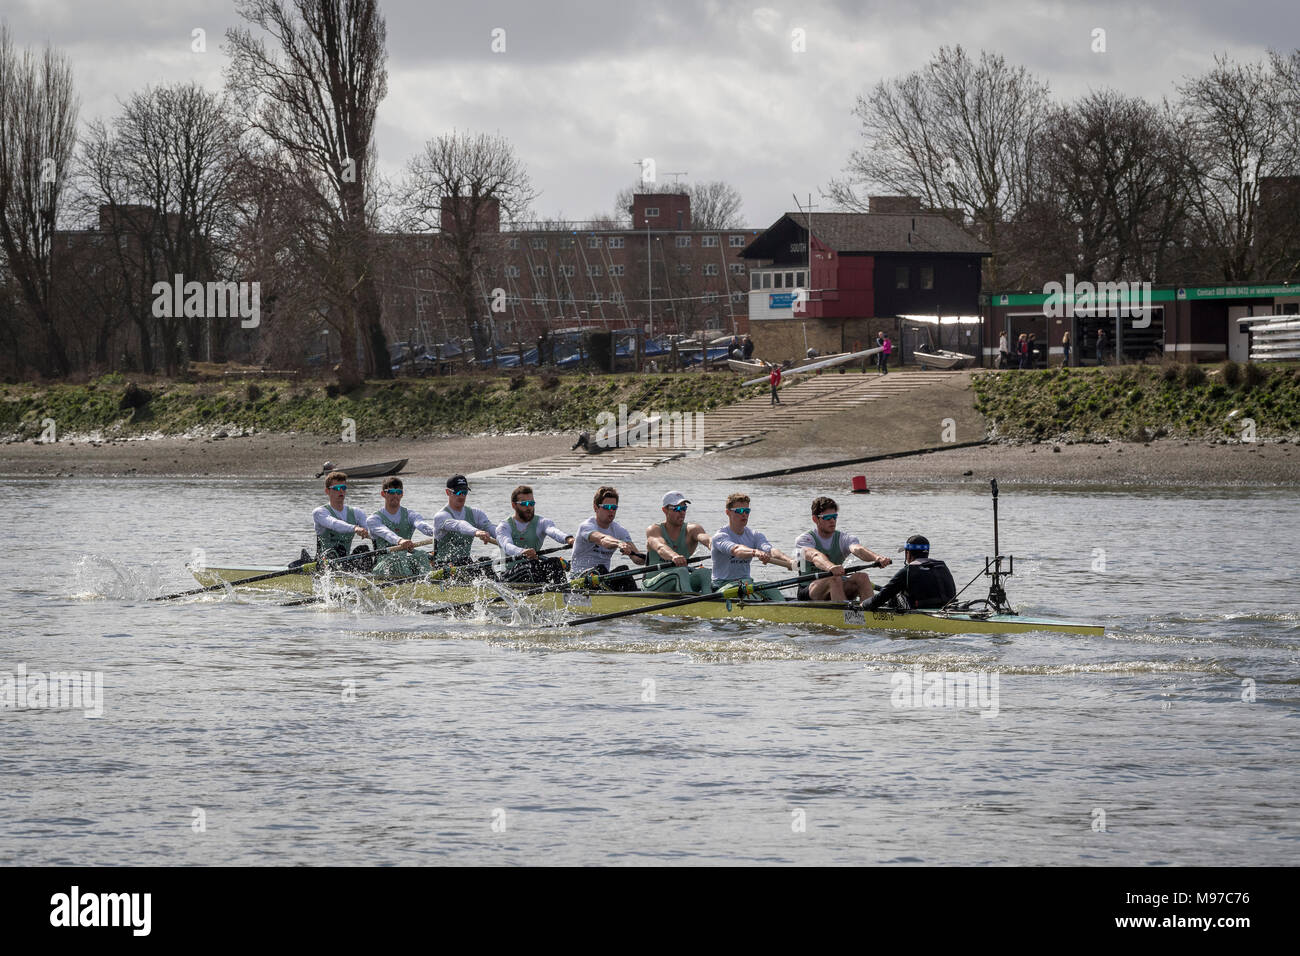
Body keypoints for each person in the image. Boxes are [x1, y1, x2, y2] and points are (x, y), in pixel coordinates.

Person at [793, 497, 891, 602]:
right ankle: (845, 615)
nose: (832, 521)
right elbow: (815, 556)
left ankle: (869, 614)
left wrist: (877, 558)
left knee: (862, 577)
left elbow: (858, 549)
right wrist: (831, 567)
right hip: (809, 590)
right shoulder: (804, 539)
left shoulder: (843, 538)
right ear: (815, 519)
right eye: (827, 517)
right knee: (834, 579)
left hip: (837, 585)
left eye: (834, 517)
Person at [711, 493, 796, 601]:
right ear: (728, 512)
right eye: (740, 511)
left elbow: (771, 550)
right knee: (749, 594)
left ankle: (785, 610)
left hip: (746, 583)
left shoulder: (754, 535)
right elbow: (737, 550)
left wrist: (790, 561)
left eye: (747, 511)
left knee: (772, 589)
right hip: (722, 586)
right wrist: (755, 552)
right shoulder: (720, 536)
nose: (744, 515)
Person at [495, 485, 574, 585]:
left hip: (533, 568)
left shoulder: (542, 522)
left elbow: (554, 531)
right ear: (514, 505)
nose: (529, 507)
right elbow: (507, 546)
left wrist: (569, 539)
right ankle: (544, 593)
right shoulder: (504, 526)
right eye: (524, 504)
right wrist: (523, 552)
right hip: (509, 575)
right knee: (531, 565)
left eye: (532, 503)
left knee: (555, 562)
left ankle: (563, 592)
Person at [570, 485, 645, 591]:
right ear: (595, 508)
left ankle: (637, 599)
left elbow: (637, 559)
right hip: (579, 581)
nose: (611, 511)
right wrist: (619, 543)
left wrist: (652, 557)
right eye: (607, 507)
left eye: (614, 508)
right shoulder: (586, 526)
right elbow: (602, 539)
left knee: (624, 571)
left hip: (601, 579)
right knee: (600, 569)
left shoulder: (619, 530)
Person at [644, 491, 712, 593]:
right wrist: (674, 556)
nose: (682, 512)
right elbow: (660, 547)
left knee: (704, 572)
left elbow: (706, 539)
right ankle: (690, 603)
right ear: (665, 510)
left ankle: (709, 603)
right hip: (652, 584)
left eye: (684, 508)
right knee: (681, 571)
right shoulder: (654, 529)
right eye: (677, 509)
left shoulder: (692, 529)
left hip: (680, 578)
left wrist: (716, 546)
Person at [366, 477, 434, 578]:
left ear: (402, 494)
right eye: (391, 492)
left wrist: (436, 532)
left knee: (421, 555)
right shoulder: (374, 519)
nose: (395, 495)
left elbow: (421, 525)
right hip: (383, 565)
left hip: (404, 560)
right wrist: (400, 540)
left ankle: (429, 580)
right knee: (398, 558)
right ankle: (414, 580)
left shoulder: (411, 514)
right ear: (383, 494)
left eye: (398, 492)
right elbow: (386, 533)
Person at [865, 535, 957, 611]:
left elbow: (881, 598)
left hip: (920, 614)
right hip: (947, 609)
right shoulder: (942, 567)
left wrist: (863, 604)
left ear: (908, 553)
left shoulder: (907, 571)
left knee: (895, 594)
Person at [432, 474, 498, 571]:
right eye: (458, 492)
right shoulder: (441, 516)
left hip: (465, 563)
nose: (462, 496)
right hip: (443, 566)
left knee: (485, 562)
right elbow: (460, 525)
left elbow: (491, 528)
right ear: (448, 492)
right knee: (461, 565)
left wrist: (509, 538)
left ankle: (501, 585)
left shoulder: (476, 513)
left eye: (465, 492)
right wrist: (477, 532)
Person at [312, 470, 371, 564]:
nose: (341, 491)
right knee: (335, 551)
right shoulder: (320, 512)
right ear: (327, 491)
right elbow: (334, 524)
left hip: (344, 561)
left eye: (343, 487)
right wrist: (355, 528)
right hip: (323, 562)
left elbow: (371, 531)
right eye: (336, 488)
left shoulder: (356, 512)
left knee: (364, 550)